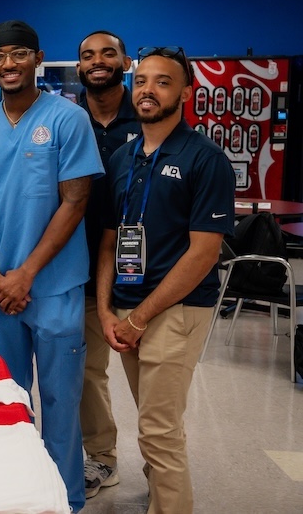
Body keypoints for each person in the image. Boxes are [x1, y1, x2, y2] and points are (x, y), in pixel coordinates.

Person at [0, 20, 102, 512]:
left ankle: (62, 500)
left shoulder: (67, 119)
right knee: (7, 403)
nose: (9, 65)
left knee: (60, 405)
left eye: (19, 55)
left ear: (37, 58)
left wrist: (26, 274)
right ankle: (12, 497)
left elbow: (75, 201)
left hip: (54, 287)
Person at [96, 46, 234, 514]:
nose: (148, 90)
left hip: (175, 310)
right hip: (127, 307)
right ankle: (161, 491)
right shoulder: (124, 157)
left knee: (158, 430)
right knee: (155, 418)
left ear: (185, 92)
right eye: (141, 81)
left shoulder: (204, 159)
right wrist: (105, 308)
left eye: (162, 82)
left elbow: (203, 253)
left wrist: (140, 317)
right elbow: (111, 240)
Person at [75, 30, 142, 499]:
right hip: (81, 270)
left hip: (145, 276)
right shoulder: (66, 119)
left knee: (153, 382)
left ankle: (165, 469)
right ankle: (102, 459)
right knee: (89, 373)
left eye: (107, 53)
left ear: (125, 61)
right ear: (79, 68)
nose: (97, 61)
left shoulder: (152, 118)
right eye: (88, 56)